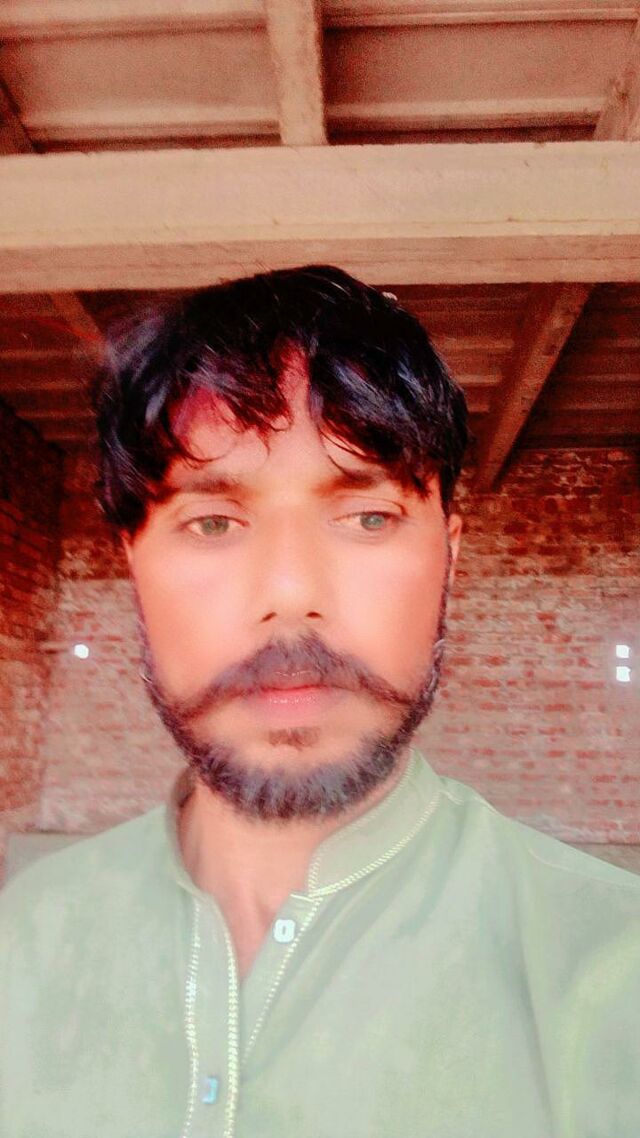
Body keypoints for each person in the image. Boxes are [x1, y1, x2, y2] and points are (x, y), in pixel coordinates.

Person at [0, 265, 638, 1138]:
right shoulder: (22, 933)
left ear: (449, 557)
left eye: (368, 517)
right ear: (131, 565)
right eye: (213, 523)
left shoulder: (612, 972)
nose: (292, 595)